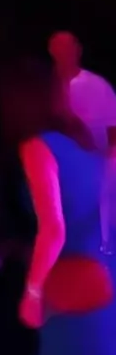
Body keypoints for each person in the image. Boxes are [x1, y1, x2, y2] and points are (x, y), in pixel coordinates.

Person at [7, 58, 116, 355]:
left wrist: (31, 291)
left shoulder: (36, 147)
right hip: (101, 271)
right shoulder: (81, 141)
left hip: (67, 276)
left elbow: (53, 228)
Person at [49, 31, 116, 253]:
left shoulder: (97, 85)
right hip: (56, 174)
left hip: (96, 170)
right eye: (58, 49)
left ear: (78, 50)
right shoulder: (45, 88)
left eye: (69, 47)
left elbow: (113, 128)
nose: (64, 54)